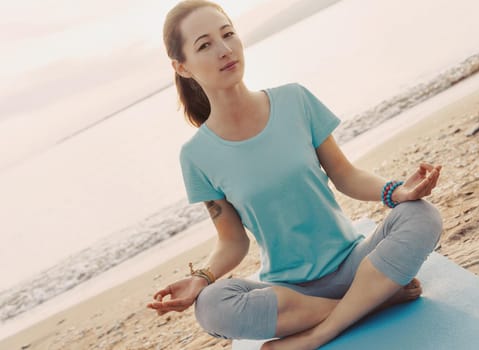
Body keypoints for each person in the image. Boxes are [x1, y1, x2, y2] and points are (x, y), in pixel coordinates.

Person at [147, 1, 442, 349]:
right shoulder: (196, 156)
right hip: (290, 295)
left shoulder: (294, 100)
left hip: (356, 266)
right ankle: (374, 300)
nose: (224, 50)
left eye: (228, 34)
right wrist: (201, 278)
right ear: (182, 67)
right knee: (210, 308)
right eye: (205, 44)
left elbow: (345, 175)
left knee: (421, 215)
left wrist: (397, 192)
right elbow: (233, 241)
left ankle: (321, 331)